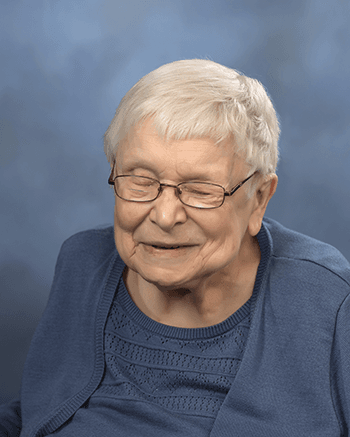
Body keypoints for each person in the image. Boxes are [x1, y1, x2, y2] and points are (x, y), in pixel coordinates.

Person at [1, 59, 350, 437]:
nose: (165, 216)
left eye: (201, 190)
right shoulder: (83, 262)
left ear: (259, 199)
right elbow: (38, 411)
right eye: (140, 181)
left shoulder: (326, 302)